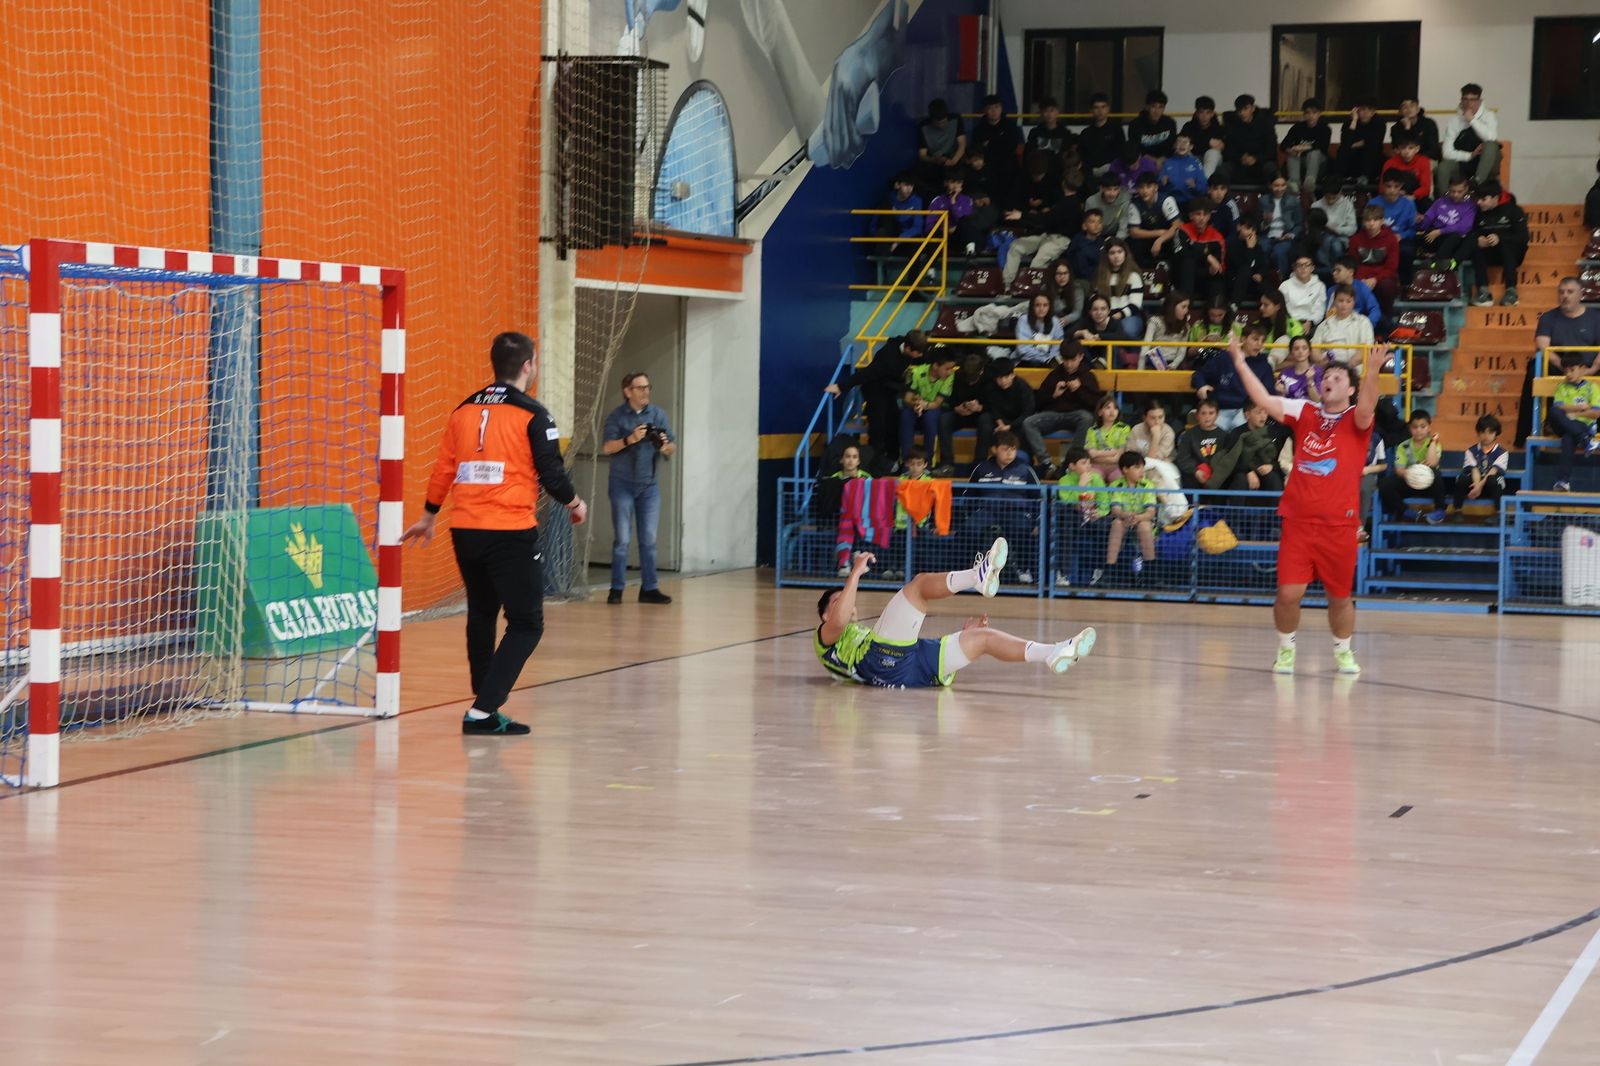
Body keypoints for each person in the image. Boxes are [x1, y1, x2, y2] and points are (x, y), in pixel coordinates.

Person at [403, 331, 587, 735]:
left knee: (483, 614)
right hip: (509, 531)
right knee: (527, 623)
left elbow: (444, 469)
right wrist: (575, 504)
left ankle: (483, 709)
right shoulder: (534, 414)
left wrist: (429, 514)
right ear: (527, 366)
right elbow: (552, 475)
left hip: (465, 531)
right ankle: (484, 709)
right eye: (534, 362)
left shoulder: (463, 410)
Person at [1225, 333, 1381, 676]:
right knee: (1287, 593)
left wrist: (1371, 373)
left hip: (1339, 525)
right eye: (1326, 376)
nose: (1329, 380)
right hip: (1298, 521)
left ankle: (1343, 652)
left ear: (1350, 389)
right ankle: (1285, 651)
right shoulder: (1305, 411)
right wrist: (1238, 361)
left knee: (1340, 597)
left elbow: (1369, 406)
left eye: (1337, 378)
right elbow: (1264, 399)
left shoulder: (1357, 419)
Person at [814, 542, 1097, 687]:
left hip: (914, 670)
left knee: (982, 638)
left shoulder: (863, 632)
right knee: (920, 586)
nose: (843, 605)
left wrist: (964, 633)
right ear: (825, 616)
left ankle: (1052, 651)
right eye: (836, 602)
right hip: (879, 661)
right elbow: (839, 619)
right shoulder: (827, 637)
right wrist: (854, 573)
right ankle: (977, 575)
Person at [601, 371, 678, 604]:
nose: (646, 392)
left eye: (647, 387)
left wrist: (665, 447)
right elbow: (607, 448)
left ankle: (650, 588)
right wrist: (630, 439)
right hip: (622, 484)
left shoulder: (658, 414)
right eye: (640, 388)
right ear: (628, 391)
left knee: (649, 540)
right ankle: (616, 589)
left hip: (649, 486)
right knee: (622, 540)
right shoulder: (616, 417)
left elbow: (672, 446)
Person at [824, 330, 928, 467]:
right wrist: (841, 386)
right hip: (875, 389)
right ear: (908, 348)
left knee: (893, 424)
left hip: (890, 389)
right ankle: (874, 465)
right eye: (918, 353)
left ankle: (892, 461)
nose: (920, 356)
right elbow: (866, 374)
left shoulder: (904, 343)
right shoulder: (887, 358)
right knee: (878, 427)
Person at [1518, 277, 1600, 445]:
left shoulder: (1596, 317)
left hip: (1590, 367)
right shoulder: (1548, 318)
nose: (1565, 296)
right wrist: (1566, 369)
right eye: (1561, 292)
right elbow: (1542, 346)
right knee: (1534, 370)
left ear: (1581, 294)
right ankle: (1528, 433)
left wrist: (1592, 369)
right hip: (1559, 366)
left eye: (1570, 292)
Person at [1022, 341, 1102, 475]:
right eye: (1066, 360)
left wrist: (1079, 390)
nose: (1069, 364)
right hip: (1053, 415)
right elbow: (1038, 402)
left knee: (1086, 418)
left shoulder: (1088, 376)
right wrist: (1053, 395)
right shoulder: (1054, 374)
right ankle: (1047, 463)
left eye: (1073, 360)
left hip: (1077, 416)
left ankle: (1070, 462)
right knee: (1028, 422)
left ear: (1081, 356)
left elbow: (1097, 405)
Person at [1193, 321, 1275, 430]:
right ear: (1243, 339)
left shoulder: (1265, 366)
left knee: (1239, 426)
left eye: (1262, 341)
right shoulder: (1224, 358)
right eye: (1255, 339)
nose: (1259, 344)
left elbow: (1269, 392)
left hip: (1247, 411)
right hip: (1221, 408)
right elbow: (1198, 374)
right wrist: (1201, 386)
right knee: (1216, 428)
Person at [1378, 409, 1447, 522]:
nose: (1419, 430)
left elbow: (1432, 463)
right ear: (1410, 428)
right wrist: (1412, 473)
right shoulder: (1403, 446)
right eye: (1415, 427)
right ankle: (1406, 512)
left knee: (1436, 473)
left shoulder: (1434, 444)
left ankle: (1440, 511)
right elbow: (1399, 470)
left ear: (1429, 427)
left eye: (1423, 426)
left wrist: (1433, 442)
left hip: (1428, 486)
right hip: (1409, 483)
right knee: (1385, 484)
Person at [1469, 180, 1529, 307]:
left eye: (1483, 199)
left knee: (1507, 245)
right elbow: (1471, 232)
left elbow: (1523, 237)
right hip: (1489, 253)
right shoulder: (1478, 212)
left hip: (1512, 254)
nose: (1479, 202)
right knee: (1475, 247)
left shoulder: (1514, 210)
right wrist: (1478, 239)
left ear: (1495, 198)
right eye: (1478, 199)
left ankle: (1511, 291)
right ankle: (1483, 291)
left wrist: (1500, 238)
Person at [1437, 82, 1500, 197]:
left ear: (1479, 101)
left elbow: (1492, 138)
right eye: (1465, 99)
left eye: (1472, 99)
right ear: (1461, 100)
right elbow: (1446, 153)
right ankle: (1444, 202)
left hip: (1485, 164)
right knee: (1443, 167)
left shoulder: (1489, 116)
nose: (1468, 103)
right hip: (1463, 162)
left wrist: (1472, 120)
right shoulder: (1454, 121)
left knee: (1491, 145)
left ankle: (1476, 183)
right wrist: (1470, 155)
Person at [1104, 451, 1159, 581]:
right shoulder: (1116, 485)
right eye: (1137, 467)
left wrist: (1137, 518)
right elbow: (1115, 509)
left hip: (1143, 521)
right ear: (1125, 469)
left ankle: (1150, 575)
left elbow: (1151, 512)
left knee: (1144, 526)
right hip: (1124, 520)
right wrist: (1126, 516)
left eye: (1142, 467)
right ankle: (1109, 572)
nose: (1141, 471)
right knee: (1117, 523)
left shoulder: (1148, 485)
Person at [900, 349, 959, 468]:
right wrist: (915, 404)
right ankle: (907, 464)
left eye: (952, 368)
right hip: (916, 408)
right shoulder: (916, 372)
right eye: (947, 368)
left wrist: (923, 404)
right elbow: (907, 398)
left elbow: (937, 403)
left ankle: (926, 465)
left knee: (930, 417)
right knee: (905, 415)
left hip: (934, 410)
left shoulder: (950, 377)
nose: (950, 372)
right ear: (936, 366)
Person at [1549, 359, 1600, 492]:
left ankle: (1563, 481)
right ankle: (1585, 440)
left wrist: (1574, 415)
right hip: (1562, 423)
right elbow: (1559, 408)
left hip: (1582, 424)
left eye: (1572, 370)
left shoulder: (1592, 388)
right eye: (1566, 371)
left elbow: (1596, 413)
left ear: (1582, 369)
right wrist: (1579, 408)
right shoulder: (1562, 387)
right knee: (1554, 410)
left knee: (1568, 437)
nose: (1569, 374)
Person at [1453, 414, 1509, 517]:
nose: (1486, 436)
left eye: (1490, 432)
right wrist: (1477, 485)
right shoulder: (1471, 451)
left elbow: (1493, 471)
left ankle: (1498, 514)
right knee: (1461, 478)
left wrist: (1479, 486)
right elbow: (1474, 469)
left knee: (1494, 479)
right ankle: (1457, 511)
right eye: (1483, 432)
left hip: (1489, 485)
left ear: (1496, 434)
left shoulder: (1502, 453)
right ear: (1478, 433)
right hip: (1474, 485)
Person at [1418, 177, 1476, 266]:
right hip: (1435, 237)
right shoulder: (1440, 202)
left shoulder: (1470, 206)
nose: (1456, 195)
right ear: (1448, 188)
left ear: (1466, 189)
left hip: (1453, 238)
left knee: (1456, 237)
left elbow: (1464, 227)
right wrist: (1421, 223)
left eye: (1459, 191)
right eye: (1452, 191)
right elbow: (1428, 219)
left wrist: (1440, 231)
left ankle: (1435, 262)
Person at [1313, 283, 1376, 365]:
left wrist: (1347, 367)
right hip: (1327, 370)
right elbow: (1314, 350)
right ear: (1334, 302)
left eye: (1348, 301)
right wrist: (1322, 362)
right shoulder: (1323, 325)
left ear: (1354, 302)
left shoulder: (1364, 322)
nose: (1344, 305)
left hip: (1355, 370)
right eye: (1341, 301)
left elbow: (1366, 348)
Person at [1223, 93, 1278, 186]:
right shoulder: (1232, 125)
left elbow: (1271, 149)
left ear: (1253, 108)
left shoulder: (1266, 123)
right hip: (1239, 162)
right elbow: (1228, 149)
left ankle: (1274, 199)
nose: (1242, 113)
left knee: (1271, 168)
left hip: (1261, 162)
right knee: (1223, 169)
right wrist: (1240, 157)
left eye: (1245, 109)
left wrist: (1256, 158)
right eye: (1239, 110)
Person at [1280, 97, 1331, 193]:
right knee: (1292, 154)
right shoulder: (1297, 127)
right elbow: (1283, 145)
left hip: (1319, 165)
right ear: (1304, 114)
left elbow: (1323, 146)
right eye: (1307, 113)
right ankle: (1294, 183)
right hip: (1301, 164)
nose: (1311, 116)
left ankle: (1310, 181)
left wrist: (1304, 148)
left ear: (1319, 114)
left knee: (1314, 153)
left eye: (1314, 112)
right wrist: (1290, 150)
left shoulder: (1325, 128)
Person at [1078, 92, 1125, 175]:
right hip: (1090, 175)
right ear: (1091, 110)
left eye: (1103, 107)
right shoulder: (1085, 133)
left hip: (1111, 174)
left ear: (1108, 109)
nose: (1100, 111)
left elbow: (1121, 153)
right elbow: (1082, 157)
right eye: (1096, 107)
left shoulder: (1116, 129)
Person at [1179, 95, 1227, 177]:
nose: (1204, 116)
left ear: (1212, 114)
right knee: (1184, 151)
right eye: (1201, 112)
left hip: (1212, 160)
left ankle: (1203, 184)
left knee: (1213, 153)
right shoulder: (1188, 126)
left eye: (1208, 112)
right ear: (1197, 113)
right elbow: (1182, 143)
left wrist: (1197, 142)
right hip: (1194, 157)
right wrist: (1208, 142)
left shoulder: (1219, 128)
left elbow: (1221, 148)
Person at [1128, 89, 1178, 158]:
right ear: (1147, 107)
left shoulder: (1170, 123)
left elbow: (1172, 146)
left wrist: (1162, 159)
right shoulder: (1135, 124)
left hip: (1164, 161)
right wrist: (1152, 161)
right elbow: (1134, 148)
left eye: (1160, 107)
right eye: (1153, 106)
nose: (1156, 111)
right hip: (1142, 161)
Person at [1160, 132, 1208, 199]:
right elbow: (1159, 187)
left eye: (1185, 142)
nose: (1182, 145)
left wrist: (1195, 186)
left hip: (1191, 200)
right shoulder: (1167, 163)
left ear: (1191, 147)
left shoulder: (1196, 163)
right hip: (1172, 200)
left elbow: (1204, 188)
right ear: (1174, 145)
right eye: (1179, 142)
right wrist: (1164, 183)